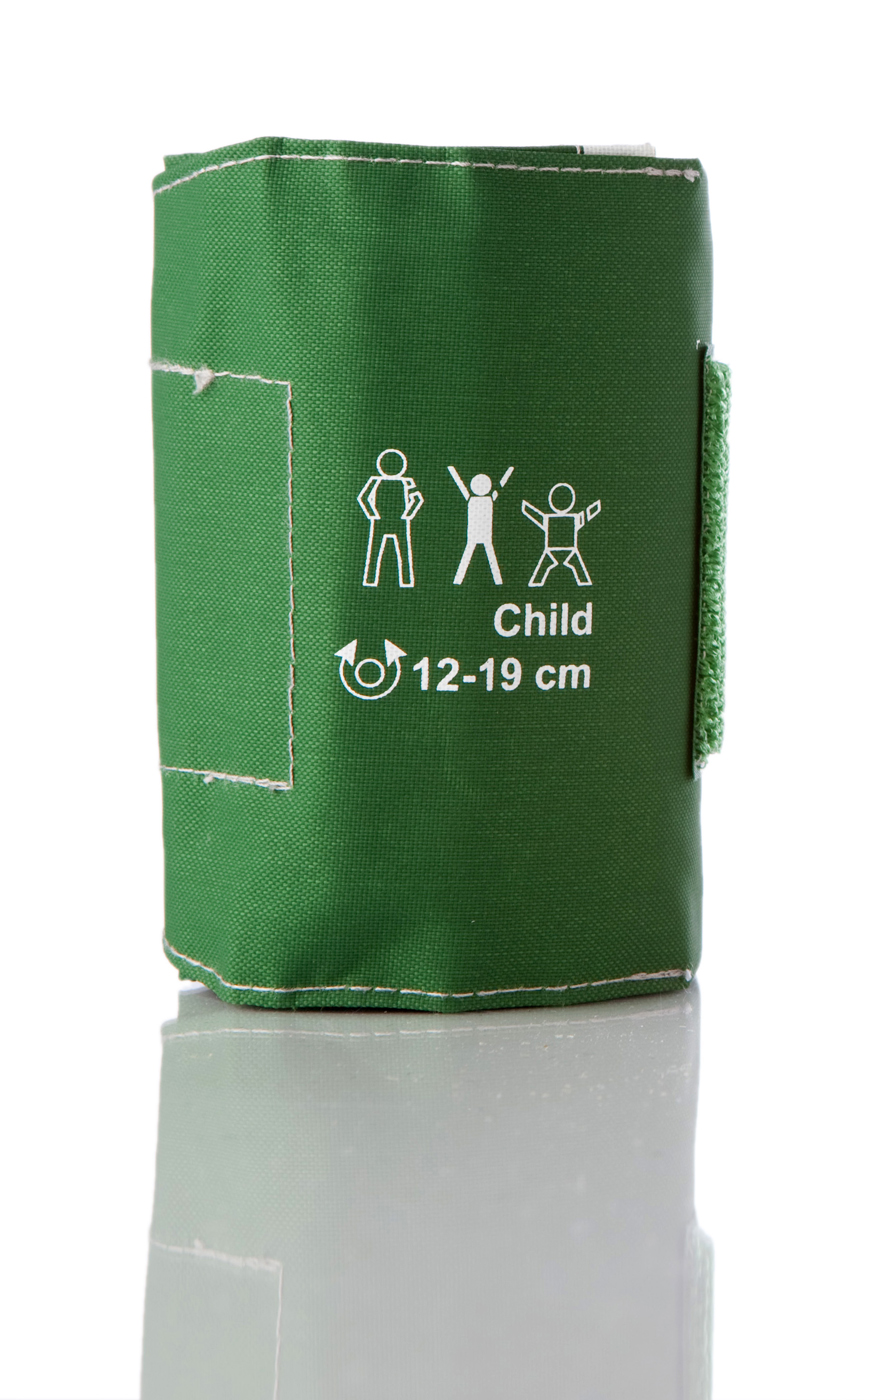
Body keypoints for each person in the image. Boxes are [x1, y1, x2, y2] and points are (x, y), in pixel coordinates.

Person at [357, 449, 424, 588]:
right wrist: (373, 514)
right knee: (375, 553)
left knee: (403, 553)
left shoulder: (407, 482)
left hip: (396, 521)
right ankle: (371, 580)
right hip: (383, 521)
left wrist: (407, 514)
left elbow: (417, 499)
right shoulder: (375, 481)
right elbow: (363, 498)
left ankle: (405, 581)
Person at [521, 482, 600, 586]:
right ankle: (584, 582)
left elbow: (535, 515)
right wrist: (596, 506)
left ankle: (536, 582)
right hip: (569, 551)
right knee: (579, 571)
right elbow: (587, 513)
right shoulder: (573, 519)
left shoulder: (550, 519)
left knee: (541, 572)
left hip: (552, 551)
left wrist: (526, 507)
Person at [449, 464, 514, 585]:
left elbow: (461, 485)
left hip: (478, 534)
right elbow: (500, 486)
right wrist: (508, 472)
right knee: (486, 554)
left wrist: (453, 471)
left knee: (475, 553)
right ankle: (497, 580)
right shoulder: (486, 499)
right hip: (480, 534)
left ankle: (460, 580)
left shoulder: (474, 499)